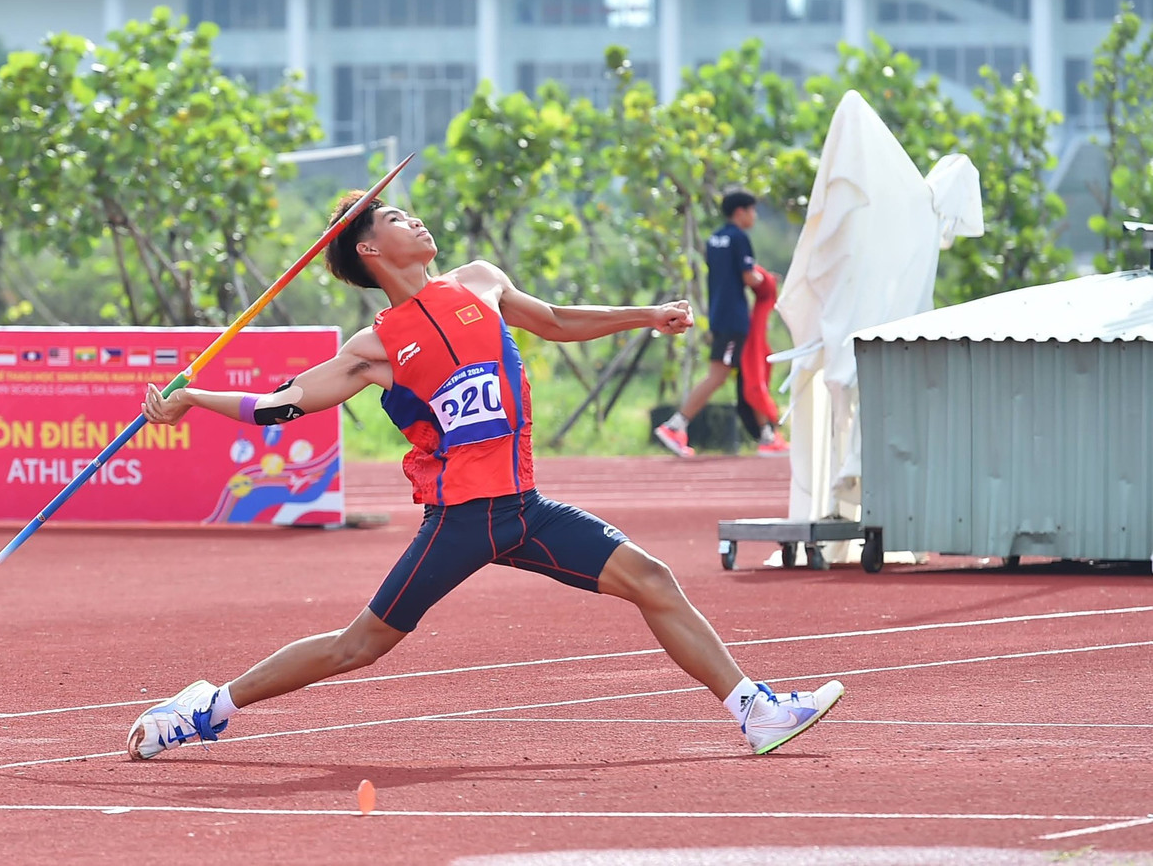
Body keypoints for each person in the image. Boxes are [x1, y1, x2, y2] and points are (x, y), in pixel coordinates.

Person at [125, 190, 842, 760]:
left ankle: (754, 709)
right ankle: (204, 709)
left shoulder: (481, 281)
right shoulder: (374, 345)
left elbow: (555, 319)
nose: (418, 218)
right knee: (359, 645)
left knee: (651, 576)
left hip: (525, 508)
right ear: (371, 247)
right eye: (397, 216)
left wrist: (644, 315)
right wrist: (192, 397)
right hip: (460, 520)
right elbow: (278, 404)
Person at [654, 189, 789, 458]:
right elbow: (750, 278)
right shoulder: (739, 238)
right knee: (719, 374)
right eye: (752, 211)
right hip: (734, 318)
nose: (754, 216)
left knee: (750, 376)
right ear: (740, 212)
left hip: (719, 313)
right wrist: (769, 280)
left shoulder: (714, 239)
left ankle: (767, 436)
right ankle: (675, 425)